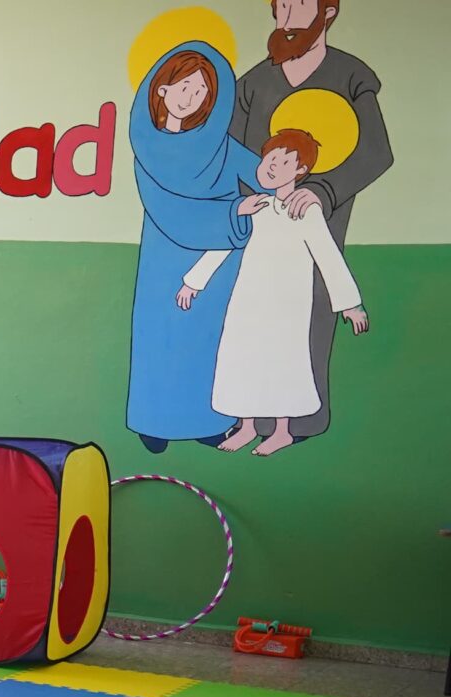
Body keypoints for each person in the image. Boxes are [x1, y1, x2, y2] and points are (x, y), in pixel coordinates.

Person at [227, 0, 393, 444]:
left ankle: (300, 421)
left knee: (308, 315)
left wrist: (322, 190)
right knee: (251, 320)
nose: (286, 17)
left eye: (298, 5)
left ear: (329, 12)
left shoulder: (351, 76)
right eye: (280, 6)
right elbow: (233, 150)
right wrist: (250, 203)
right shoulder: (254, 82)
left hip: (317, 218)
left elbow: (376, 152)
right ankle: (252, 419)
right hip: (259, 226)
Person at [177, 130, 369, 457]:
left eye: (282, 160)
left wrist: (350, 304)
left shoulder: (305, 210)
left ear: (300, 170)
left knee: (283, 360)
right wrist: (194, 281)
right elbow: (226, 243)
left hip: (288, 302)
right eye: (269, 158)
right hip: (249, 298)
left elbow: (327, 253)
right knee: (242, 357)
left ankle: (282, 430)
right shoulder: (255, 205)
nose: (271, 165)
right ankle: (247, 426)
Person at [125, 47, 255, 454]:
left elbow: (262, 174)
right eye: (184, 86)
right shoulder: (149, 147)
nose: (192, 96)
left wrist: (296, 184)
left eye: (201, 91)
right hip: (166, 255)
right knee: (159, 338)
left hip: (217, 260)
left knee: (207, 341)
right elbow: (167, 207)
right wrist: (233, 216)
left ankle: (208, 420)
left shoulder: (220, 145)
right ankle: (154, 421)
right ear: (161, 90)